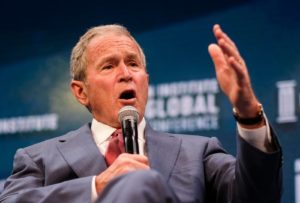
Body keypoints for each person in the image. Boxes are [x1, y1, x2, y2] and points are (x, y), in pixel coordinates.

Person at [0, 24, 282, 203]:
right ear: (80, 92)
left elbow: (258, 197)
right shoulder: (39, 158)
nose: (125, 74)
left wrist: (248, 113)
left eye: (133, 64)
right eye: (109, 66)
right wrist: (97, 187)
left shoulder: (198, 152)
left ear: (146, 79)